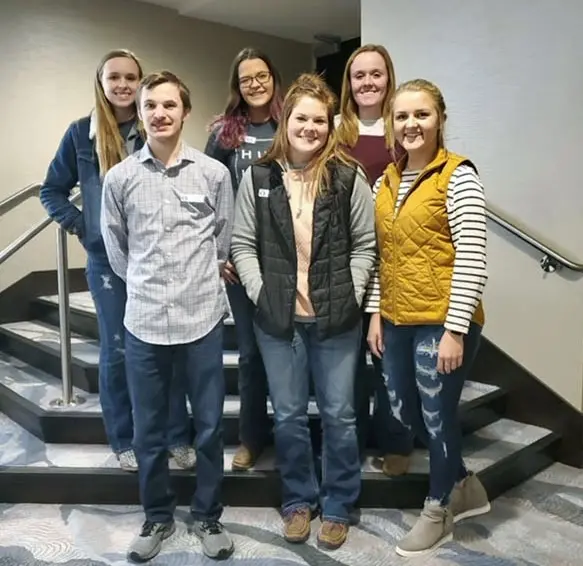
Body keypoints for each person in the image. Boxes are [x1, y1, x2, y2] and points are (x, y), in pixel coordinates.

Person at [231, 73, 375, 550]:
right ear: (285, 120)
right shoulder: (259, 177)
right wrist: (259, 291)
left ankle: (337, 504)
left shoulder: (348, 176)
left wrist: (350, 295)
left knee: (339, 414)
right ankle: (297, 500)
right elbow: (242, 244)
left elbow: (365, 247)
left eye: (319, 120)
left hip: (336, 320)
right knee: (289, 416)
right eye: (301, 118)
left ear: (329, 125)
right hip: (278, 322)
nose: (309, 127)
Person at [100, 70, 234, 562]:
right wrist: (147, 284)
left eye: (169, 105)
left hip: (201, 319)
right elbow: (116, 248)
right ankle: (157, 516)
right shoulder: (120, 178)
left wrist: (195, 281)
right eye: (150, 105)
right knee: (147, 431)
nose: (159, 113)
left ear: (186, 112)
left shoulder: (213, 174)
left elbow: (221, 240)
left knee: (210, 426)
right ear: (140, 114)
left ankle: (207, 515)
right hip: (145, 322)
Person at [39, 49, 194, 472]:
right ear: (101, 82)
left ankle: (177, 435)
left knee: (171, 348)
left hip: (158, 258)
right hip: (107, 262)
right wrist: (82, 226)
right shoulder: (79, 135)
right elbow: (50, 191)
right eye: (115, 77)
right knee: (118, 350)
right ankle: (124, 438)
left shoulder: (155, 127)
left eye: (131, 78)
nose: (123, 85)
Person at [366, 78, 490, 557]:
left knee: (437, 417)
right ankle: (462, 481)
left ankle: (438, 510)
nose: (411, 125)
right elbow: (382, 255)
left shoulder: (458, 176)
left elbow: (473, 257)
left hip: (443, 319)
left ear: (440, 119)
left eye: (421, 115)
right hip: (396, 317)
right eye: (401, 117)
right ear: (392, 125)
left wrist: (456, 330)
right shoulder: (387, 180)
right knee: (401, 409)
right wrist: (376, 313)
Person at [336, 44, 414, 475]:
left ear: (389, 78)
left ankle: (397, 441)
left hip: (392, 261)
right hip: (344, 261)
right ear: (349, 83)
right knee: (347, 363)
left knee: (390, 360)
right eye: (358, 74)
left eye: (376, 74)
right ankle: (355, 436)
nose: (367, 82)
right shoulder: (334, 130)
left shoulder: (401, 128)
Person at [204, 47, 283, 471]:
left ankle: (295, 433)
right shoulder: (223, 134)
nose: (255, 84)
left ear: (274, 78)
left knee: (292, 352)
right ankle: (252, 437)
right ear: (237, 85)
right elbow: (207, 197)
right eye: (246, 78)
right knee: (251, 354)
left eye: (262, 75)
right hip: (240, 259)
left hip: (290, 260)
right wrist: (219, 254)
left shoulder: (290, 125)